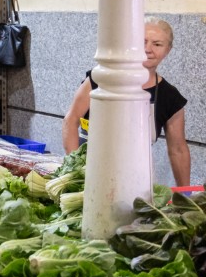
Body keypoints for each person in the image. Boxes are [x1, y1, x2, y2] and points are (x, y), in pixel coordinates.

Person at [62, 17, 190, 186]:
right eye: (142, 42)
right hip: (90, 168)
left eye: (157, 44)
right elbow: (71, 121)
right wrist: (76, 172)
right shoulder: (101, 77)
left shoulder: (170, 97)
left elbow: (178, 150)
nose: (148, 49)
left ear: (168, 50)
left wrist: (185, 193)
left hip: (137, 177)